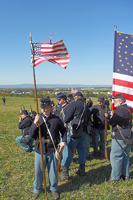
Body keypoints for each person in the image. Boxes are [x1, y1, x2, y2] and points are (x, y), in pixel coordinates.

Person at [29, 98, 67, 200]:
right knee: (38, 171)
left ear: (51, 107)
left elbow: (64, 131)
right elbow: (31, 134)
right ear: (41, 109)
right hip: (40, 149)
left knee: (53, 171)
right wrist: (35, 123)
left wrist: (63, 142)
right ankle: (37, 189)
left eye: (47, 107)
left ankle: (54, 189)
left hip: (53, 149)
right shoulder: (37, 119)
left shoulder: (56, 119)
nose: (45, 109)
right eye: (43, 108)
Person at [59, 92, 86, 182]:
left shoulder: (73, 105)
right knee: (82, 151)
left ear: (74, 98)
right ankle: (82, 170)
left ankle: (65, 175)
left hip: (73, 132)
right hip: (83, 132)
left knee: (68, 152)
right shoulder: (85, 105)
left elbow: (66, 119)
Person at [108, 94, 132, 182]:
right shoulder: (128, 110)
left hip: (119, 136)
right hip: (127, 135)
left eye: (115, 101)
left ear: (120, 101)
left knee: (116, 156)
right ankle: (126, 175)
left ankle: (115, 177)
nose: (114, 102)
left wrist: (111, 116)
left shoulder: (119, 111)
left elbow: (111, 122)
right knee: (125, 156)